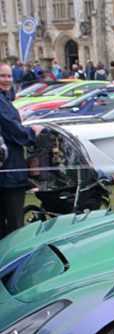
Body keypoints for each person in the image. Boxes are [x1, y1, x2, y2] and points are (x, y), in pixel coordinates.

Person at [0, 63, 43, 239]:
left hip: (8, 169)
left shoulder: (6, 99)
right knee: (15, 224)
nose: (7, 80)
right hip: (9, 172)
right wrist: (32, 132)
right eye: (2, 76)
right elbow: (14, 130)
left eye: (9, 76)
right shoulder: (2, 102)